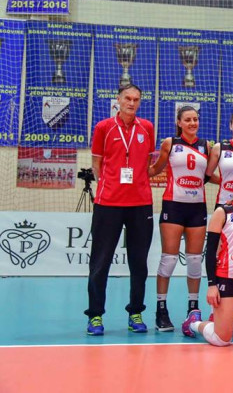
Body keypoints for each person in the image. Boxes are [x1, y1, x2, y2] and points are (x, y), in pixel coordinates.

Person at [85, 84, 155, 336]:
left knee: (139, 263)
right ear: (118, 100)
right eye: (128, 98)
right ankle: (95, 315)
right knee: (100, 262)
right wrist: (111, 184)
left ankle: (135, 312)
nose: (132, 103)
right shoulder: (103, 127)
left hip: (140, 204)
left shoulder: (146, 128)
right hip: (108, 204)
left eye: (136, 99)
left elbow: (146, 162)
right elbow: (96, 164)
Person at [148, 106, 212, 333]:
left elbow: (210, 175)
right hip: (173, 206)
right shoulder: (170, 143)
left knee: (194, 262)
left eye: (195, 119)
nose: (193, 123)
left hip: (197, 208)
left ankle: (193, 308)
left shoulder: (207, 146)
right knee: (169, 259)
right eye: (188, 120)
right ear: (179, 122)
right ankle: (161, 310)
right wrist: (129, 168)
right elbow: (154, 170)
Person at [184, 170, 233, 346]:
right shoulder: (223, 211)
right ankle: (194, 323)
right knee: (222, 340)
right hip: (227, 279)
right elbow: (210, 251)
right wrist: (212, 285)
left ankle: (231, 321)